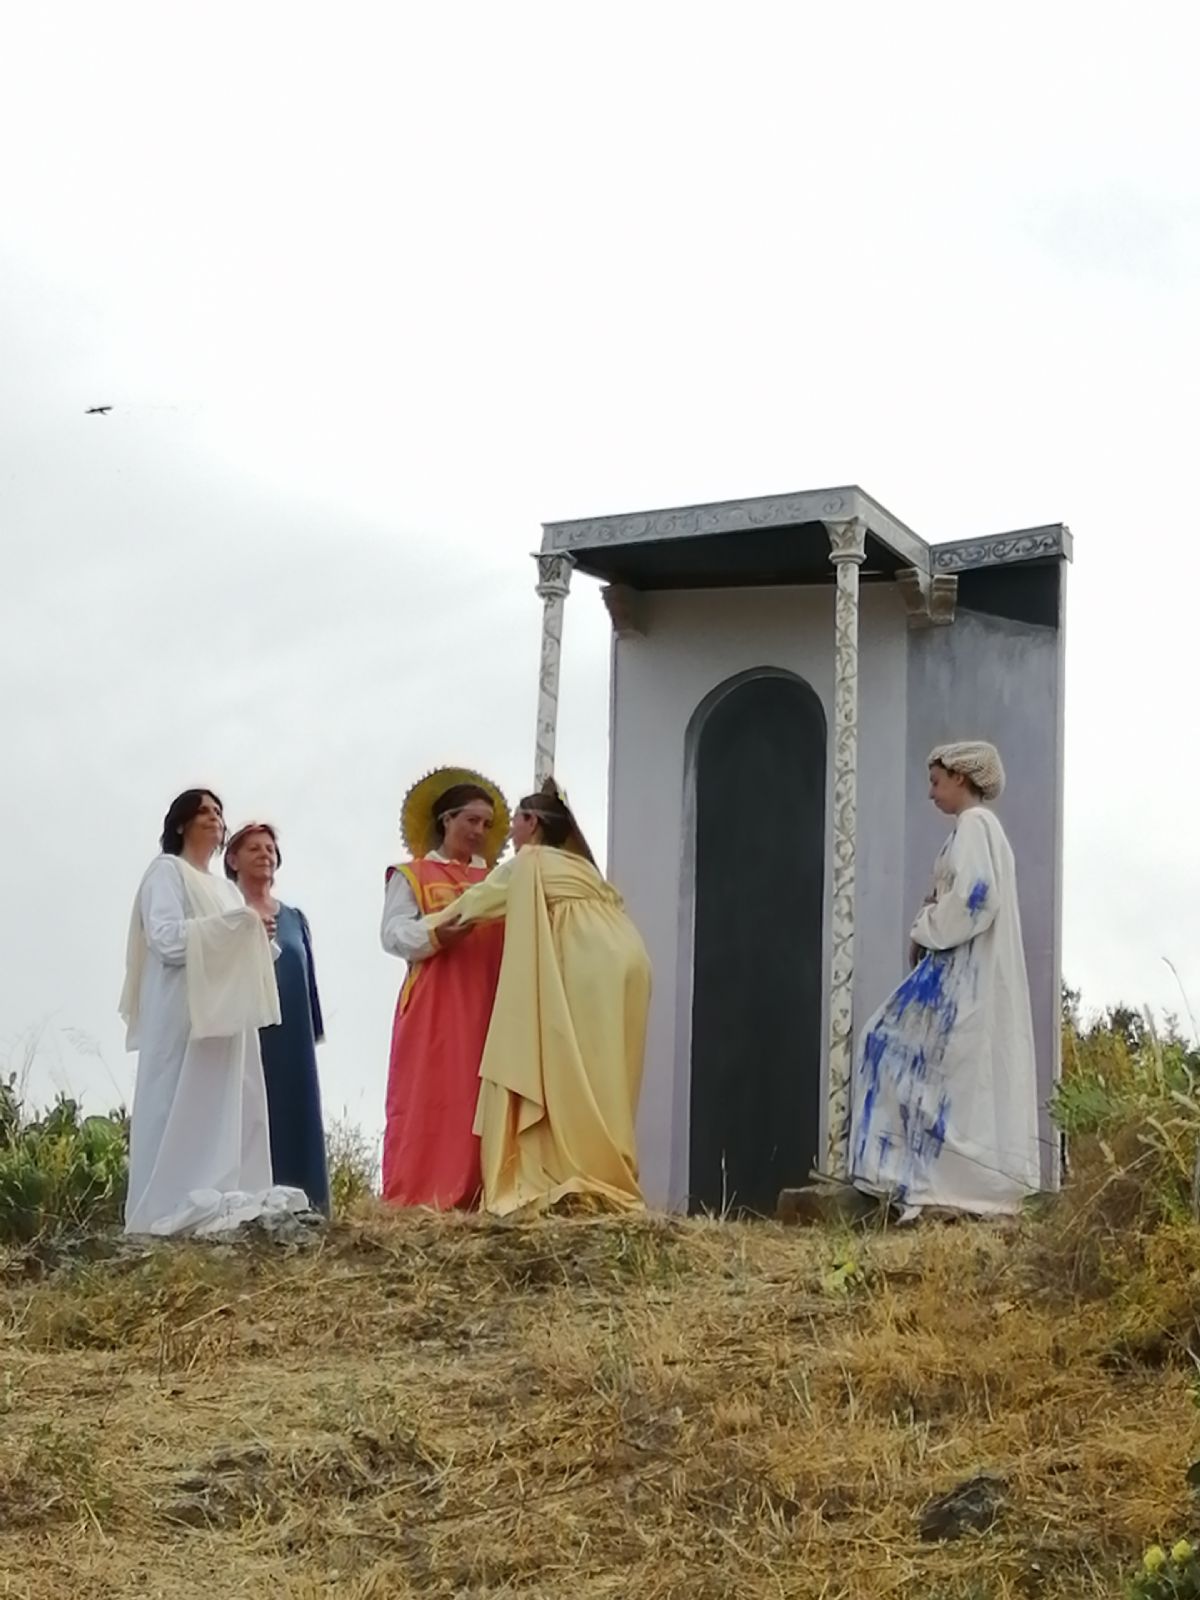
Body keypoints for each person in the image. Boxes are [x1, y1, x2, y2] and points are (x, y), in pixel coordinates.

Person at [423, 779, 652, 1217]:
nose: (509, 833)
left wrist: (423, 932)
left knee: (568, 1067)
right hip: (630, 957)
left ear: (532, 823)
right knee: (606, 1070)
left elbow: (474, 903)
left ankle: (567, 1168)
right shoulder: (583, 867)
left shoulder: (529, 863)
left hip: (586, 960)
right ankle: (608, 1169)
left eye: (514, 822)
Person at [849, 741, 1041, 1221]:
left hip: (960, 975)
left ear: (960, 777)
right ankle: (927, 1177)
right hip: (963, 970)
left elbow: (977, 897)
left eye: (936, 782)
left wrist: (926, 927)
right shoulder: (979, 830)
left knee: (883, 1040)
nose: (931, 793)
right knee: (931, 1067)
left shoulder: (975, 824)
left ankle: (909, 1176)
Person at [119, 789, 307, 1236]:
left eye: (218, 811)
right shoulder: (166, 872)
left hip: (225, 1016)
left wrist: (256, 935)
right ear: (181, 823)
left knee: (232, 1103)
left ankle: (228, 1188)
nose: (214, 817)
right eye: (203, 810)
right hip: (182, 1013)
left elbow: (241, 946)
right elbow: (166, 939)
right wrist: (237, 927)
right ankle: (167, 1201)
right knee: (175, 1103)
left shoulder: (225, 890)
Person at [379, 767, 509, 1208]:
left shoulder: (498, 881)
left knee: (483, 1093)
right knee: (431, 1093)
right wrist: (436, 934)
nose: (479, 831)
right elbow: (393, 934)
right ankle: (419, 1192)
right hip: (436, 1001)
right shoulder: (412, 875)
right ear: (446, 819)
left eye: (486, 824)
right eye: (471, 820)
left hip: (490, 997)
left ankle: (484, 1190)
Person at [225, 822, 330, 1217]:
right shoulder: (226, 912)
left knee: (296, 1107)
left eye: (269, 848)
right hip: (249, 1030)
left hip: (293, 1032)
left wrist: (312, 1028)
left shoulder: (294, 918)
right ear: (233, 860)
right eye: (253, 848)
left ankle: (308, 1202)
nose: (264, 854)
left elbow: (306, 977)